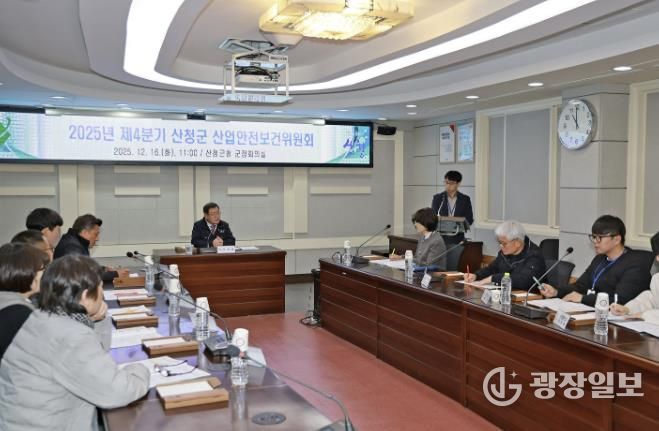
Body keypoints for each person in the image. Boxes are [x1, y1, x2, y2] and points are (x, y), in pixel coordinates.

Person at [0, 255, 150, 431]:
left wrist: (96, 320)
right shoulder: (69, 336)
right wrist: (140, 369)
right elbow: (118, 391)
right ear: (85, 296)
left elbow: (97, 354)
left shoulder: (39, 317)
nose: (102, 294)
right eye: (101, 287)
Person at [541, 215, 652, 307]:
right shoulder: (599, 259)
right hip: (593, 312)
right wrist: (556, 291)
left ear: (617, 239)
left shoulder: (636, 264)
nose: (595, 241)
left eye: (599, 238)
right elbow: (580, 286)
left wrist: (583, 298)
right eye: (593, 237)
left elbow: (620, 300)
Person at [464, 220, 545, 289]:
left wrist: (493, 278)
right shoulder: (505, 252)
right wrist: (476, 276)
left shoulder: (534, 256)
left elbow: (524, 280)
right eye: (499, 243)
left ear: (517, 242)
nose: (501, 246)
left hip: (530, 299)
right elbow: (492, 269)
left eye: (504, 243)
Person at [53, 214, 129, 280]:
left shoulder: (75, 242)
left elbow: (85, 267)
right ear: (84, 232)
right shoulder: (72, 247)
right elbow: (84, 275)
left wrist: (104, 269)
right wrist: (115, 274)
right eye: (96, 234)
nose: (97, 238)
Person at [610, 231, 659, 324]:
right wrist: (628, 309)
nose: (657, 259)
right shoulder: (657, 278)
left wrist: (645, 315)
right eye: (656, 254)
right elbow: (651, 299)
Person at [431, 171, 474, 245]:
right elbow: (432, 217)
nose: (448, 185)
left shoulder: (465, 199)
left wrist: (456, 223)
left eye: (451, 183)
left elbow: (469, 219)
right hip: (440, 238)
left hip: (458, 238)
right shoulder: (438, 198)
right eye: (446, 182)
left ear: (458, 184)